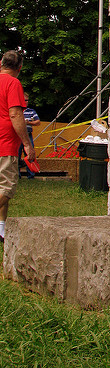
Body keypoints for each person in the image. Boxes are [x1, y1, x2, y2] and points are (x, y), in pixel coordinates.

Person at [0, 50, 35, 243]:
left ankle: (1, 228)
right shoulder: (13, 83)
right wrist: (27, 144)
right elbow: (15, 114)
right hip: (4, 142)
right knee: (7, 187)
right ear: (19, 69)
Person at [18, 92, 40, 178]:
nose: (25, 102)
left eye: (27, 100)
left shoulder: (31, 111)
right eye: (24, 100)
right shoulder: (17, 111)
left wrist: (28, 122)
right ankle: (17, 175)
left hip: (28, 134)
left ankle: (31, 174)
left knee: (30, 154)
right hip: (18, 136)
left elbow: (38, 122)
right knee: (17, 155)